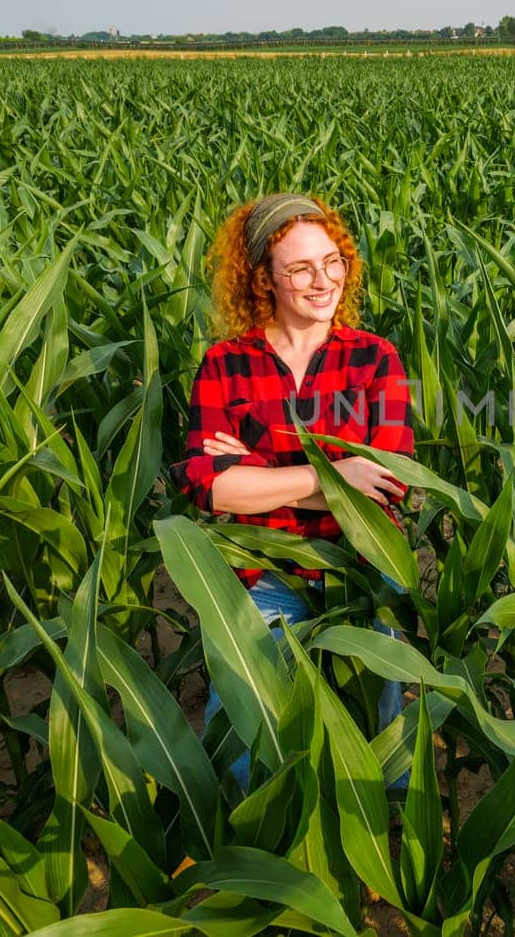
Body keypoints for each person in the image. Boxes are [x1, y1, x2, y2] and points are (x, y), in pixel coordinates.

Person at [171, 193, 414, 785]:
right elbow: (210, 488)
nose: (323, 280)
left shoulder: (374, 360)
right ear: (264, 281)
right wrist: (330, 477)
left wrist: (261, 474)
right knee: (241, 729)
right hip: (265, 571)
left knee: (378, 737)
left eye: (334, 262)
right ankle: (252, 856)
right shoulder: (226, 365)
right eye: (301, 269)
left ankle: (382, 852)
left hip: (362, 572)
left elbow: (386, 487)